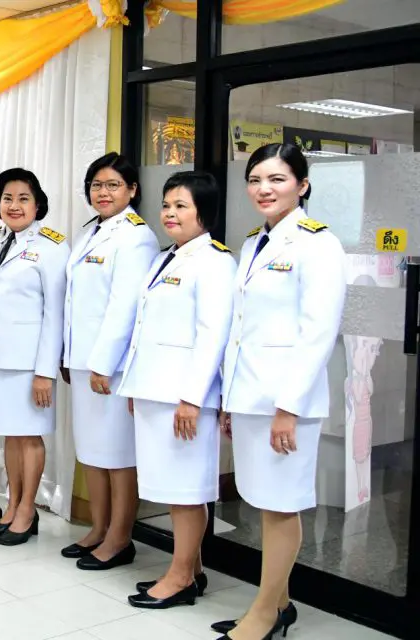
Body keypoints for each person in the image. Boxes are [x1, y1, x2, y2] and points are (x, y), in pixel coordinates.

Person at [215, 143, 345, 640]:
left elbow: (318, 333)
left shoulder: (318, 244)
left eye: (277, 179)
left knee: (280, 504)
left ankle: (265, 614)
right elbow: (241, 328)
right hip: (250, 397)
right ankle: (280, 602)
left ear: (303, 185)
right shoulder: (254, 243)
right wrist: (230, 399)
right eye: (255, 180)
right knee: (262, 499)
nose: (264, 189)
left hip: (285, 404)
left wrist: (287, 407)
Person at [116, 171, 235, 609]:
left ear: (204, 211)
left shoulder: (216, 261)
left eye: (181, 205)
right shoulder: (167, 257)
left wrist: (192, 397)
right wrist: (135, 384)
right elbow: (147, 328)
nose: (170, 213)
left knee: (185, 490)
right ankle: (193, 568)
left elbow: (212, 336)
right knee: (169, 485)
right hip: (154, 389)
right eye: (166, 205)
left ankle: (181, 575)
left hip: (183, 397)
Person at [62, 152, 159, 569]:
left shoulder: (136, 237)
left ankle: (120, 538)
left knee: (118, 455)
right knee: (93, 452)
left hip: (111, 367)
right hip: (83, 361)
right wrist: (69, 357)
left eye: (113, 185)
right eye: (97, 185)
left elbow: (124, 308)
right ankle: (99, 528)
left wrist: (102, 362)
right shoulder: (89, 232)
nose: (103, 192)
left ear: (132, 190)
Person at [0, 168, 68, 546]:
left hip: (30, 364)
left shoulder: (52, 246)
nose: (14, 205)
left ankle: (28, 511)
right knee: (11, 436)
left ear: (38, 204)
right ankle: (12, 505)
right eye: (7, 198)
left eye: (23, 198)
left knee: (29, 438)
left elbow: (55, 313)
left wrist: (45, 372)